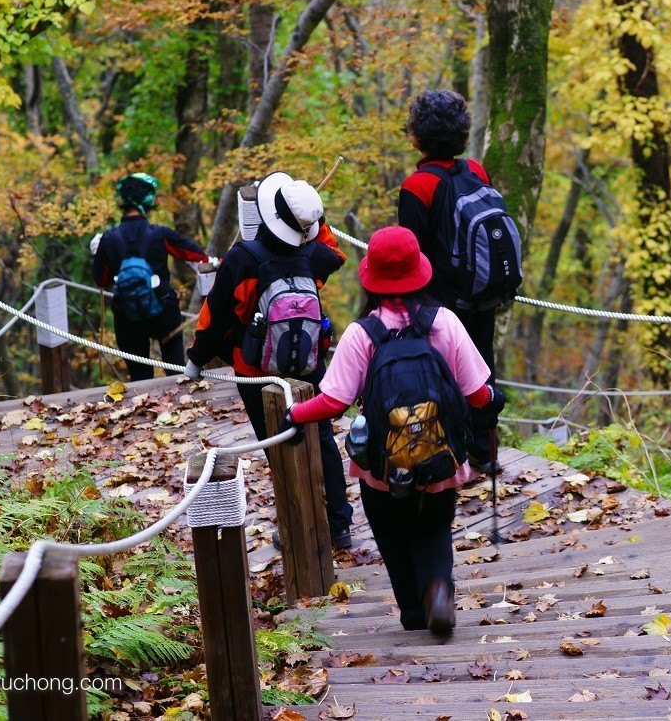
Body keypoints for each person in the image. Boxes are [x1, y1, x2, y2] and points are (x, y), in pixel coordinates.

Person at [282, 226, 504, 635]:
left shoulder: (361, 335)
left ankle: (412, 613)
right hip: (441, 459)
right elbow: (476, 393)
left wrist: (295, 415)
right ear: (420, 272)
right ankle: (438, 588)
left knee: (392, 534)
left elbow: (333, 402)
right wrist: (493, 398)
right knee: (435, 528)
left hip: (382, 467)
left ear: (373, 279)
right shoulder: (446, 324)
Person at [185, 172, 354, 549]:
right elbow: (337, 255)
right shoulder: (313, 255)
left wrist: (196, 357)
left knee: (278, 444)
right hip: (309, 363)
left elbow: (217, 316)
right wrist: (316, 223)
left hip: (256, 369)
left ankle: (297, 528)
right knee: (322, 437)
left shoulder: (242, 259)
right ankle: (339, 525)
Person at [397, 90, 521, 473]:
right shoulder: (476, 170)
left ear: (417, 135)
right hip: (482, 294)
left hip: (440, 303)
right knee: (482, 370)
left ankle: (451, 458)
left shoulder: (416, 186)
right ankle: (486, 453)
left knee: (442, 377)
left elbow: (410, 255)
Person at [92, 172, 216, 382]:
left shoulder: (108, 238)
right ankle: (182, 407)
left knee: (140, 375)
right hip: (163, 313)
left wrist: (98, 252)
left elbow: (101, 280)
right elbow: (199, 257)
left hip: (127, 316)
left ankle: (144, 409)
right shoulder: (160, 234)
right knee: (175, 369)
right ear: (148, 201)